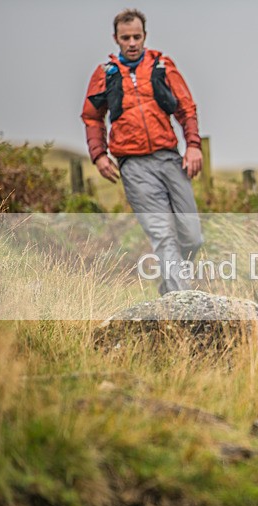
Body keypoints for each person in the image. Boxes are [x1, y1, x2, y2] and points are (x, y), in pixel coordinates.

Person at [82, 8, 203, 295]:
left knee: (192, 236)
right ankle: (180, 301)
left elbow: (186, 108)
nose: (132, 43)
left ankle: (171, 286)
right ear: (116, 39)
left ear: (145, 36)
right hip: (133, 166)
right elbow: (92, 117)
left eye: (137, 37)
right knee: (163, 234)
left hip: (169, 158)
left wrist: (193, 146)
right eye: (126, 38)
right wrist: (99, 154)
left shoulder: (163, 66)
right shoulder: (105, 74)